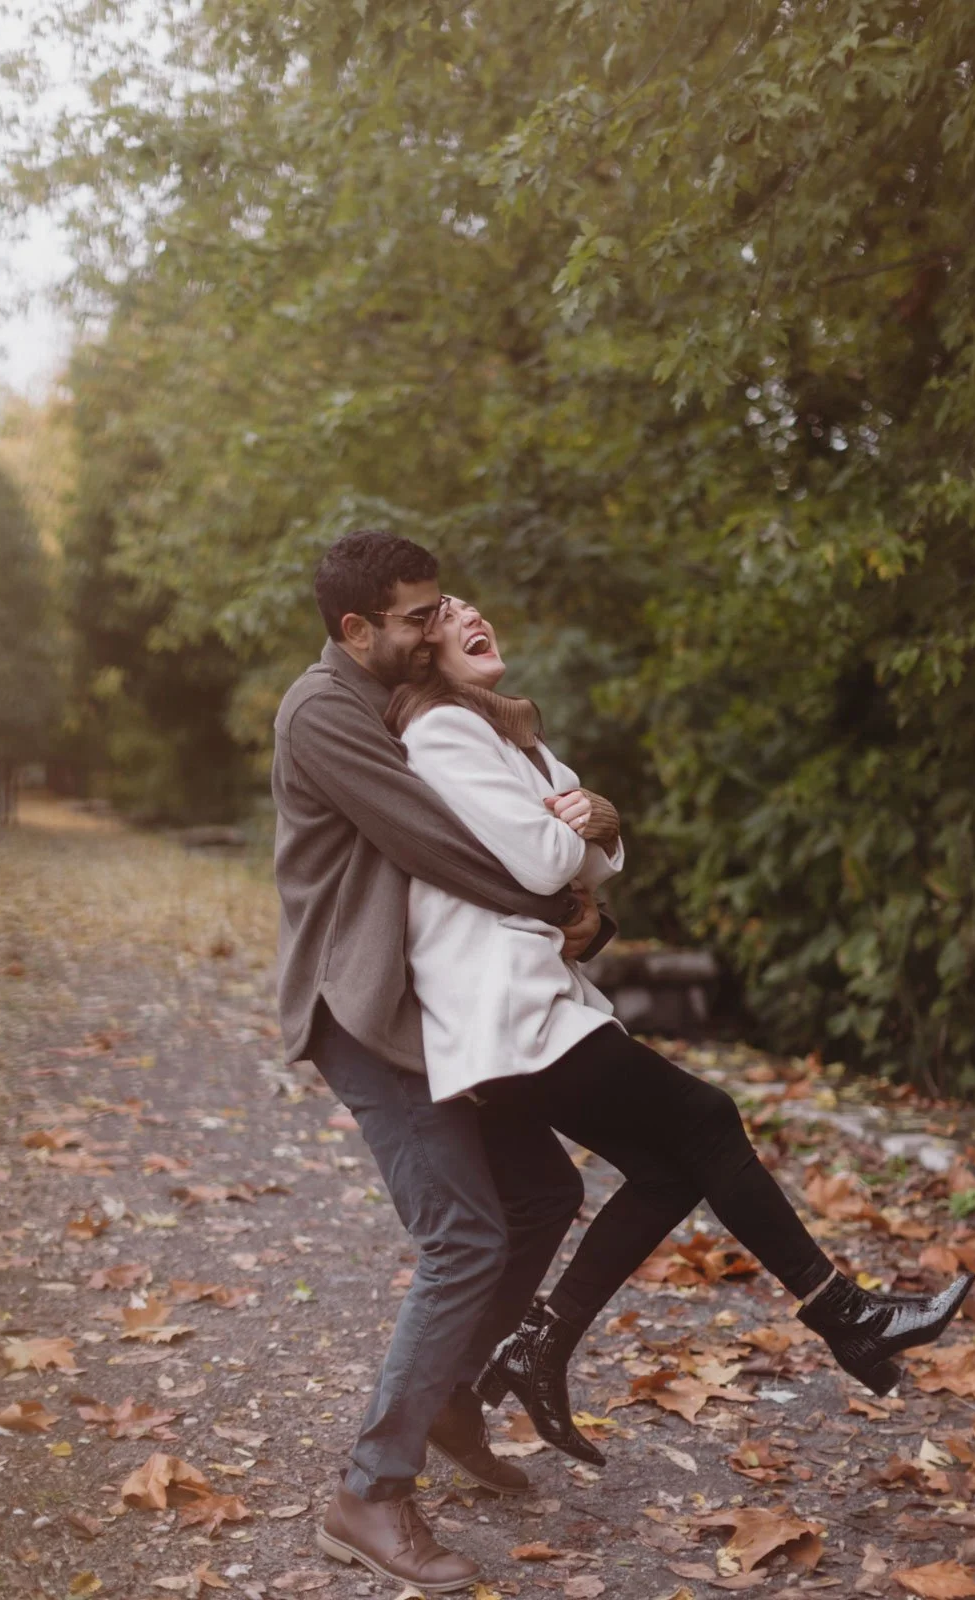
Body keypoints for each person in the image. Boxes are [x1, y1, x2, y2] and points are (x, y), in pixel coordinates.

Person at [386, 596, 975, 1468]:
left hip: (533, 998)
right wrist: (580, 833)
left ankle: (539, 1347)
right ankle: (845, 1316)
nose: (473, 613)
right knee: (703, 1119)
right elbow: (553, 858)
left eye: (472, 604)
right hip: (501, 1005)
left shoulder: (508, 732)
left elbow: (604, 843)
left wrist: (589, 831)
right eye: (447, 612)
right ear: (422, 649)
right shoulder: (441, 730)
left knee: (667, 1169)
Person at [273, 529, 624, 1594]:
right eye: (418, 615)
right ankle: (369, 1491)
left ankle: (454, 1398)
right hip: (364, 1005)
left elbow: (517, 792)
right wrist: (569, 901)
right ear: (356, 629)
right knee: (463, 1233)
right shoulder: (324, 711)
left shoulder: (397, 691)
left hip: (433, 1002)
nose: (437, 626)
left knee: (540, 1190)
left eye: (436, 609)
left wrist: (593, 830)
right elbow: (435, 840)